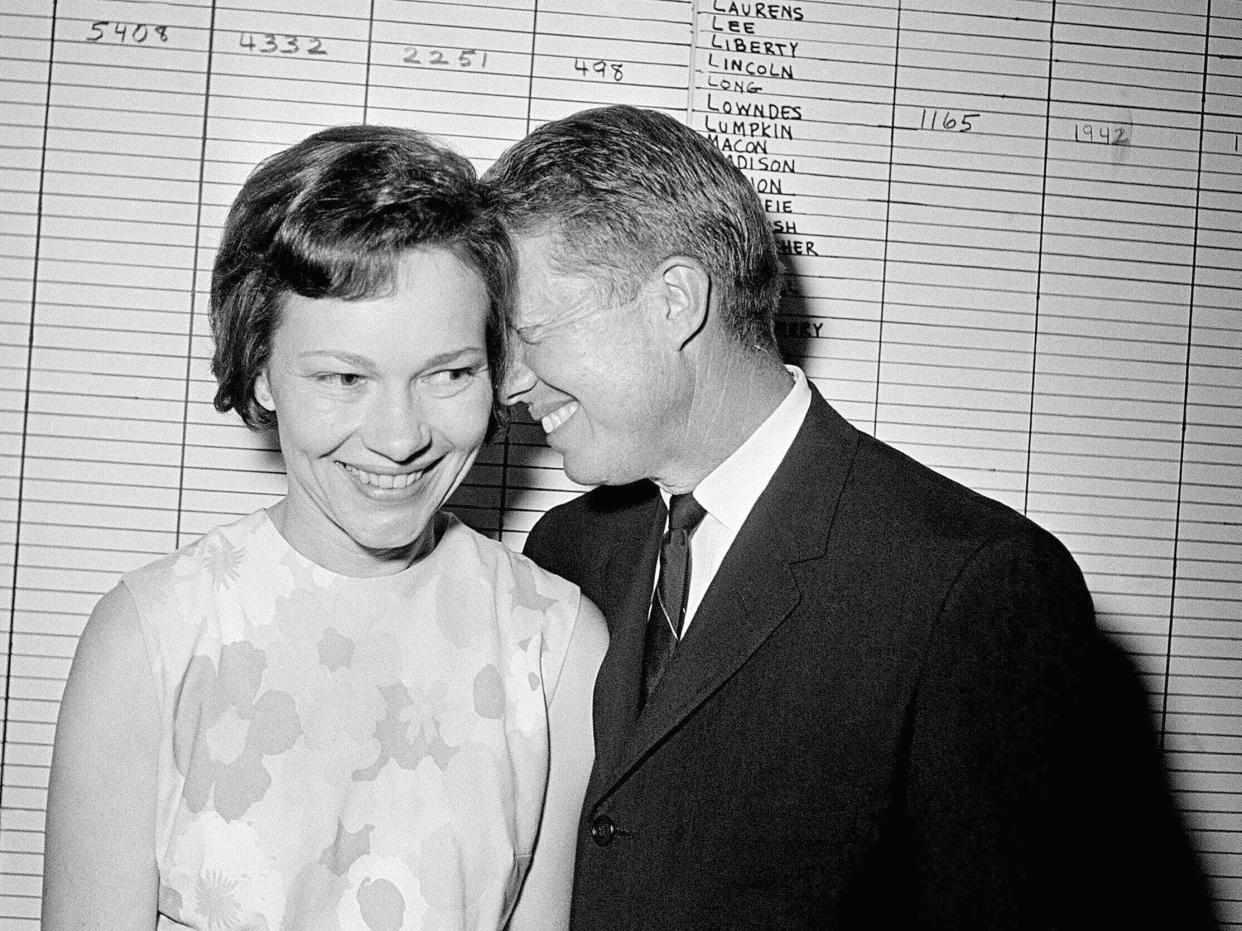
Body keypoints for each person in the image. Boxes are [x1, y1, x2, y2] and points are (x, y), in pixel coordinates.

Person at [484, 105, 1215, 929]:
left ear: (675, 300)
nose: (508, 384)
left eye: (530, 333)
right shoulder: (568, 548)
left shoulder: (972, 585)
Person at [43, 124, 607, 930]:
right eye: (345, 377)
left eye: (448, 373)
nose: (400, 435)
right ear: (262, 371)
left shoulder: (557, 649)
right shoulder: (151, 637)